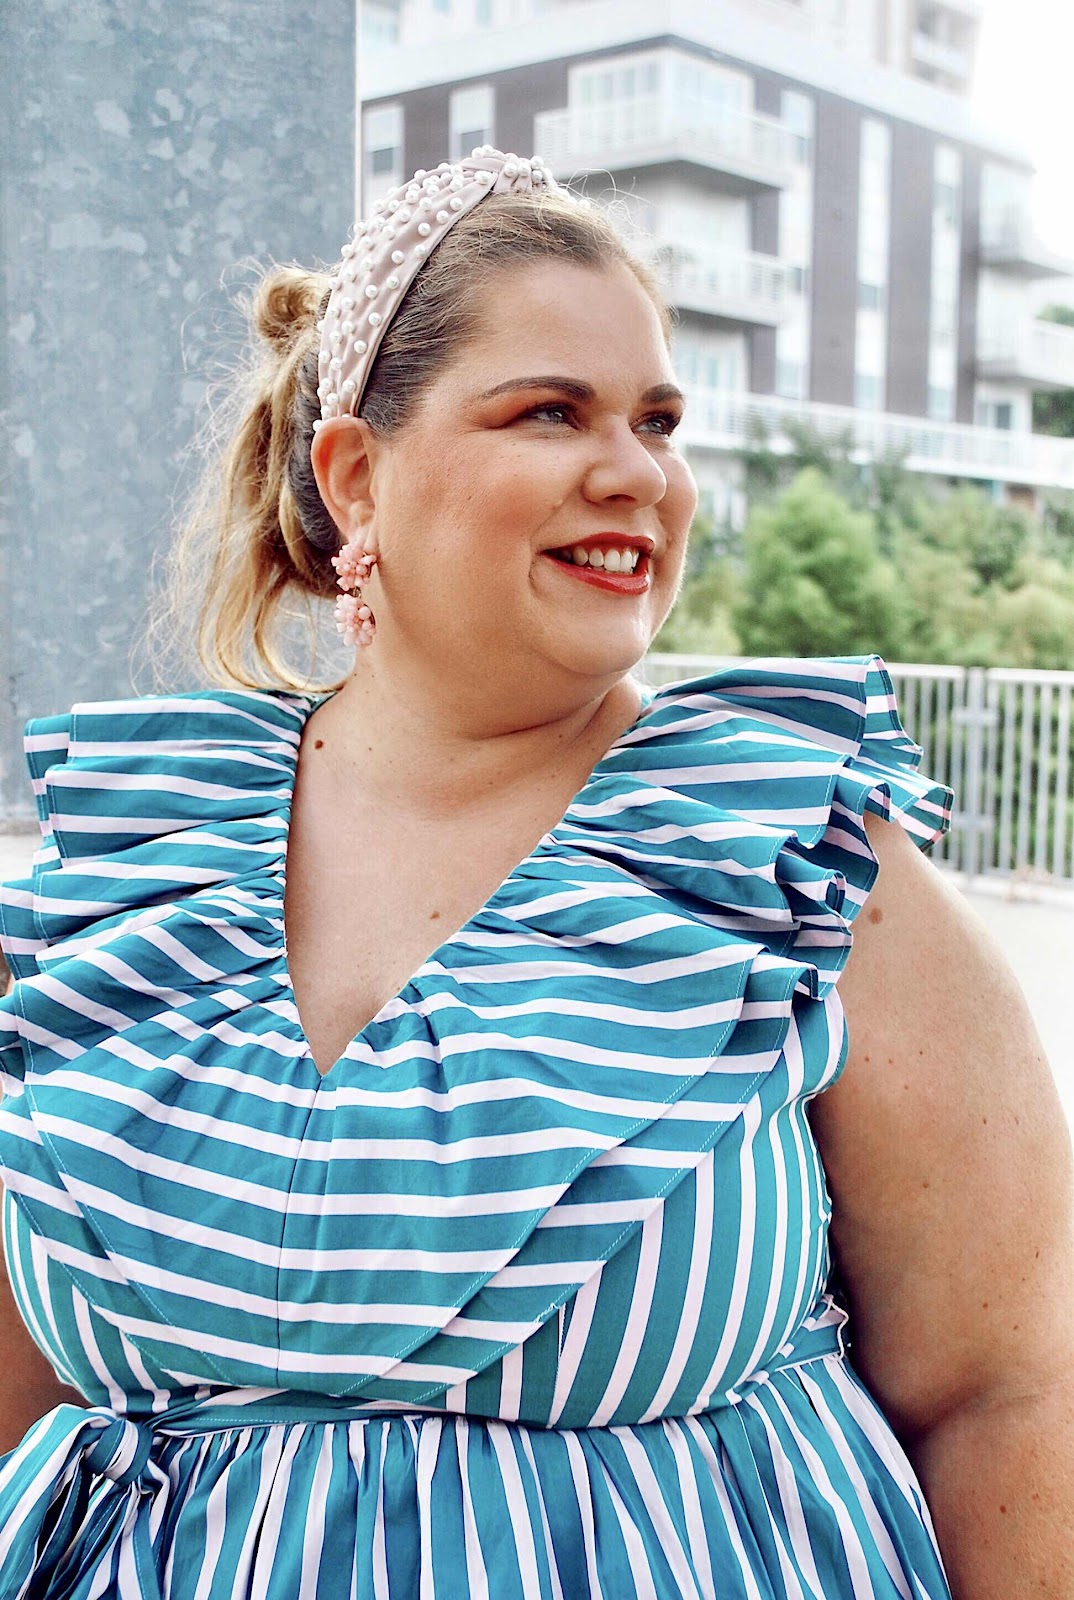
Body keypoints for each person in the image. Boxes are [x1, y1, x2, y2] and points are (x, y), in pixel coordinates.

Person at [0, 146, 1070, 1600]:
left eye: (658, 421)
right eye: (551, 411)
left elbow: (1008, 1395)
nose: (638, 474)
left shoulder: (795, 860)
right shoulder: (135, 864)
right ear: (355, 475)